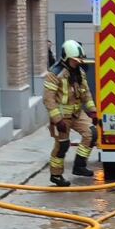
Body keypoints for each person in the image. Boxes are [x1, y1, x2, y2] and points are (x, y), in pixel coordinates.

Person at [43, 40, 98, 187]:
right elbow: (48, 99)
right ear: (66, 58)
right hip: (61, 117)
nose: (78, 63)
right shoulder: (54, 74)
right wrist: (57, 120)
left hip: (77, 113)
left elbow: (86, 93)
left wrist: (92, 111)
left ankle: (79, 166)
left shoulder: (79, 72)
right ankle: (56, 175)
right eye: (75, 60)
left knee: (92, 133)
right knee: (62, 146)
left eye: (79, 60)